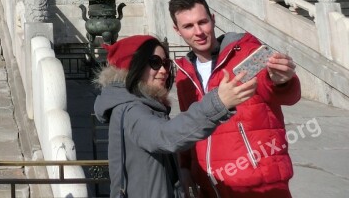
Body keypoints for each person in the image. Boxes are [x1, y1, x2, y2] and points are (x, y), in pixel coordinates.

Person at [169, 0, 300, 198]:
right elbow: (189, 123)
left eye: (202, 22)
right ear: (177, 30)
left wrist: (282, 80)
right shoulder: (184, 74)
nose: (199, 32)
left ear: (213, 19)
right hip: (210, 187)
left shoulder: (247, 51)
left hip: (259, 186)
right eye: (188, 26)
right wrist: (185, 167)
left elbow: (280, 90)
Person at [94, 34, 257, 198]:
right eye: (155, 63)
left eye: (166, 63)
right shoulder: (131, 110)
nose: (163, 71)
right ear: (133, 65)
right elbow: (165, 136)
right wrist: (218, 103)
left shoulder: (145, 106)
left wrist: (182, 170)